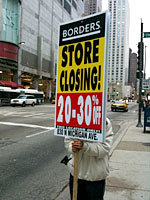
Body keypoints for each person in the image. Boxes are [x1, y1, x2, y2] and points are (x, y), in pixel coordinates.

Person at [64, 118, 113, 200]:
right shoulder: (74, 119)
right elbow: (68, 141)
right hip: (76, 175)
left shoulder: (104, 122)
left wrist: (84, 146)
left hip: (95, 178)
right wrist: (72, 147)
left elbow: (104, 149)